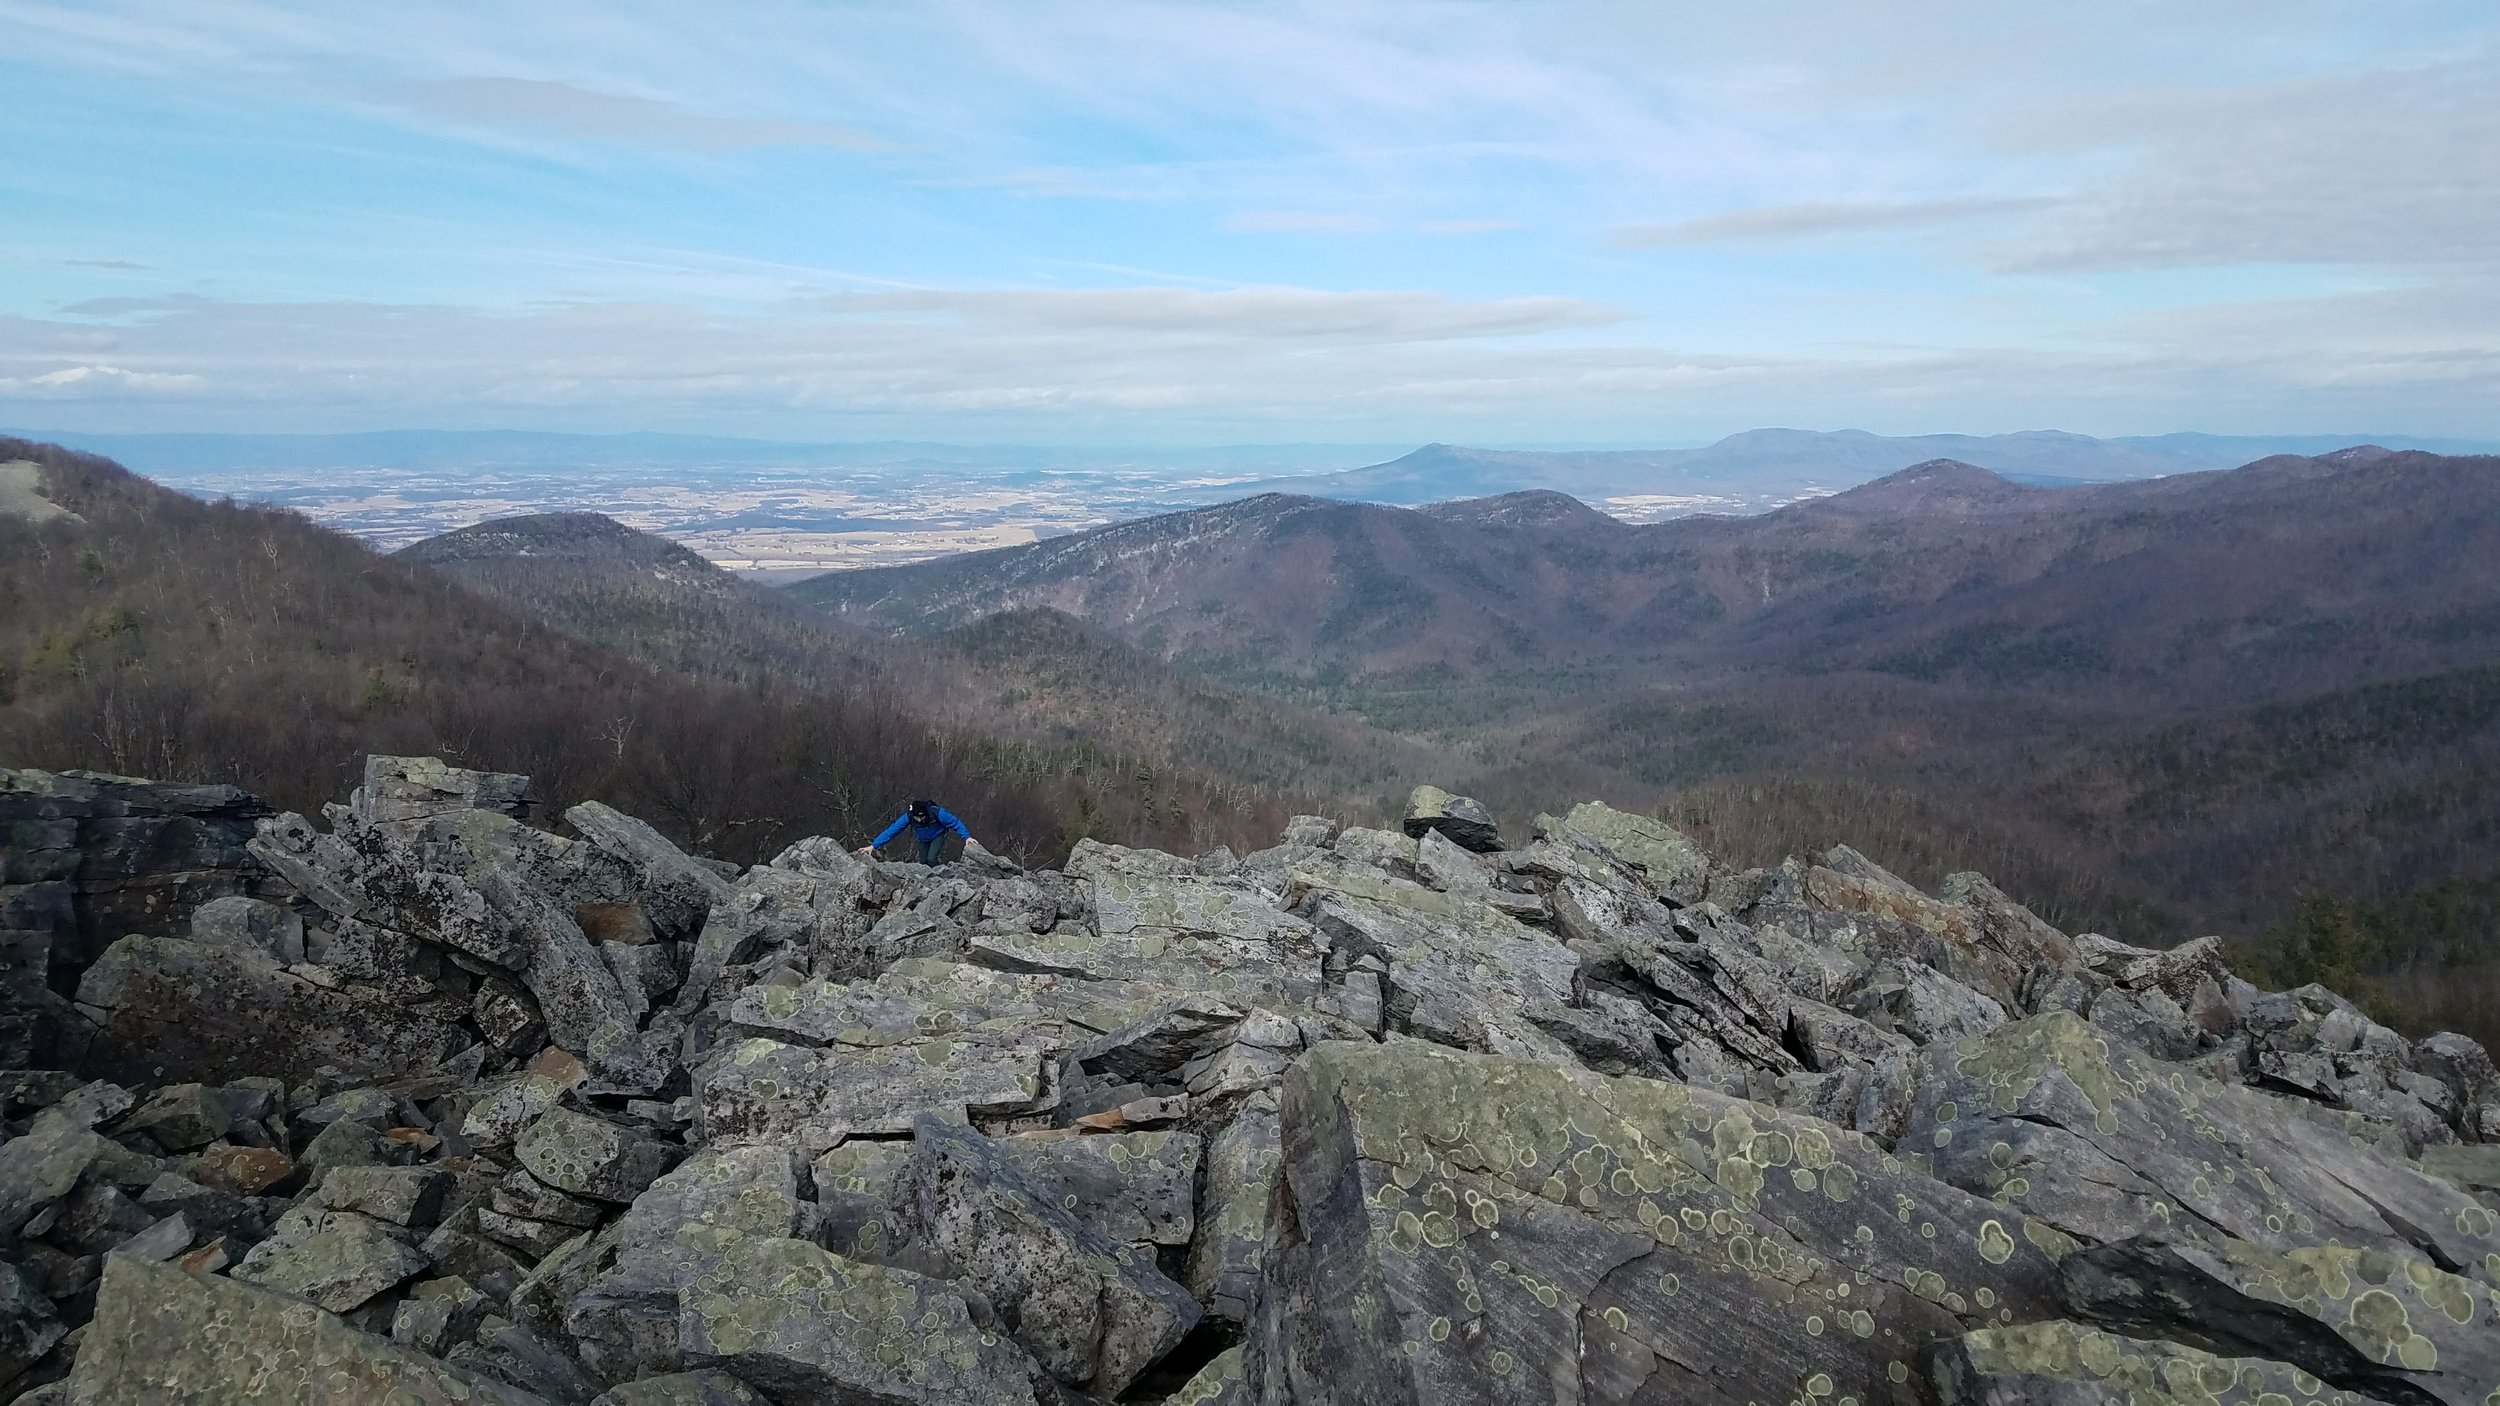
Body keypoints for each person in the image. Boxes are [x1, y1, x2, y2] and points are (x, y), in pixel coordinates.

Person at [860, 797, 972, 866]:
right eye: (917, 818)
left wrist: (967, 837)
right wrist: (873, 846)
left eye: (921, 817)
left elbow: (955, 823)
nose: (919, 820)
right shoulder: (908, 817)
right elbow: (892, 831)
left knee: (931, 858)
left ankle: (937, 877)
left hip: (938, 835)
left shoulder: (938, 813)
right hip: (923, 839)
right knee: (923, 862)